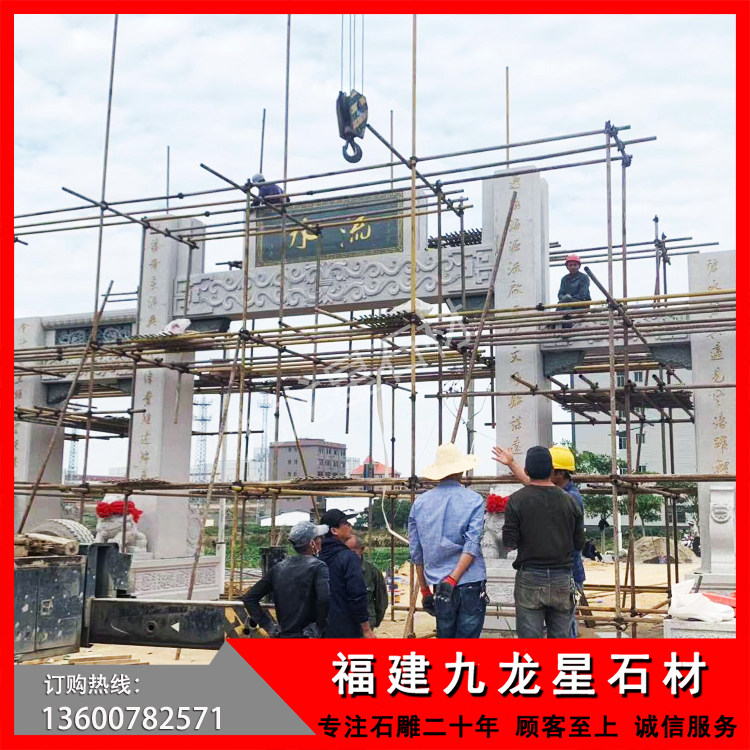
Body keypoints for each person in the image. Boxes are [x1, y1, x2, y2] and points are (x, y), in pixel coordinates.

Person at [493, 443, 586, 636]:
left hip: (530, 577)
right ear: (551, 470)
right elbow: (579, 543)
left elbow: (509, 543)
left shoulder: (517, 499)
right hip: (562, 577)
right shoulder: (570, 500)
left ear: (527, 471)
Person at [409, 442, 487, 638]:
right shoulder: (474, 500)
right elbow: (472, 544)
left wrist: (425, 590)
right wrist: (453, 578)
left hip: (439, 582)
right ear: (460, 471)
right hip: (469, 580)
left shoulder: (420, 503)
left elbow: (416, 552)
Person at [241, 519, 329, 638]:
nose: (321, 540)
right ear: (312, 543)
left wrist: (269, 626)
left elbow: (250, 598)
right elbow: (324, 599)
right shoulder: (318, 567)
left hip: (283, 636)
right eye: (318, 538)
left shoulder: (279, 568)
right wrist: (318, 626)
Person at [318, 509, 376, 638]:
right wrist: (366, 628)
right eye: (345, 523)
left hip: (321, 628)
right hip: (345, 626)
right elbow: (357, 593)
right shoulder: (349, 558)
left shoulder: (317, 558)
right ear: (334, 530)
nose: (350, 526)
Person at [346, 536, 389, 631]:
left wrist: (375, 621)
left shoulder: (372, 571)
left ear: (362, 550)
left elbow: (381, 600)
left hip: (366, 622)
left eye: (352, 552)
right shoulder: (339, 569)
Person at [555, 253, 591, 328]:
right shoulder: (564, 279)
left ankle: (566, 327)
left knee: (567, 301)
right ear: (567, 267)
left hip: (581, 304)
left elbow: (582, 295)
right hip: (566, 304)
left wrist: (568, 298)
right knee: (566, 302)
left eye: (575, 265)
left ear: (579, 266)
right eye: (570, 265)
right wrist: (564, 298)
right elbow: (560, 294)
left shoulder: (584, 278)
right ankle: (556, 322)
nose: (572, 267)